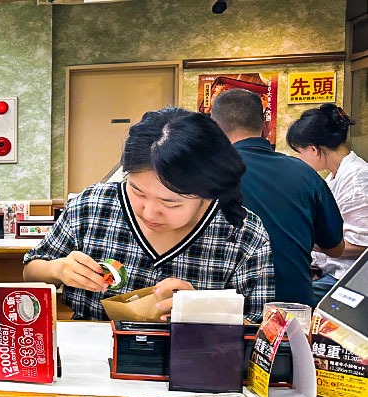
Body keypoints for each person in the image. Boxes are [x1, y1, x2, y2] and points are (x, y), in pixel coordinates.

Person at [23, 107, 274, 323]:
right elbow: (31, 270)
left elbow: (260, 327)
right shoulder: (92, 206)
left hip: (193, 366)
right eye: (137, 191)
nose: (149, 212)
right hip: (90, 364)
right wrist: (58, 269)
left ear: (207, 193)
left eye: (171, 203)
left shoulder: (241, 233)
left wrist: (203, 309)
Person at [210, 89, 343, 307]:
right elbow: (335, 249)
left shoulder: (204, 174)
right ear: (266, 125)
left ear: (213, 128)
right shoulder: (305, 173)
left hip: (224, 311)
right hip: (292, 311)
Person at [288, 104, 368, 302]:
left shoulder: (358, 178)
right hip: (330, 272)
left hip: (347, 279)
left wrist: (310, 242)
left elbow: (362, 245)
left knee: (290, 298)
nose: (299, 158)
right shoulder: (336, 176)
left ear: (314, 149)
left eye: (299, 151)